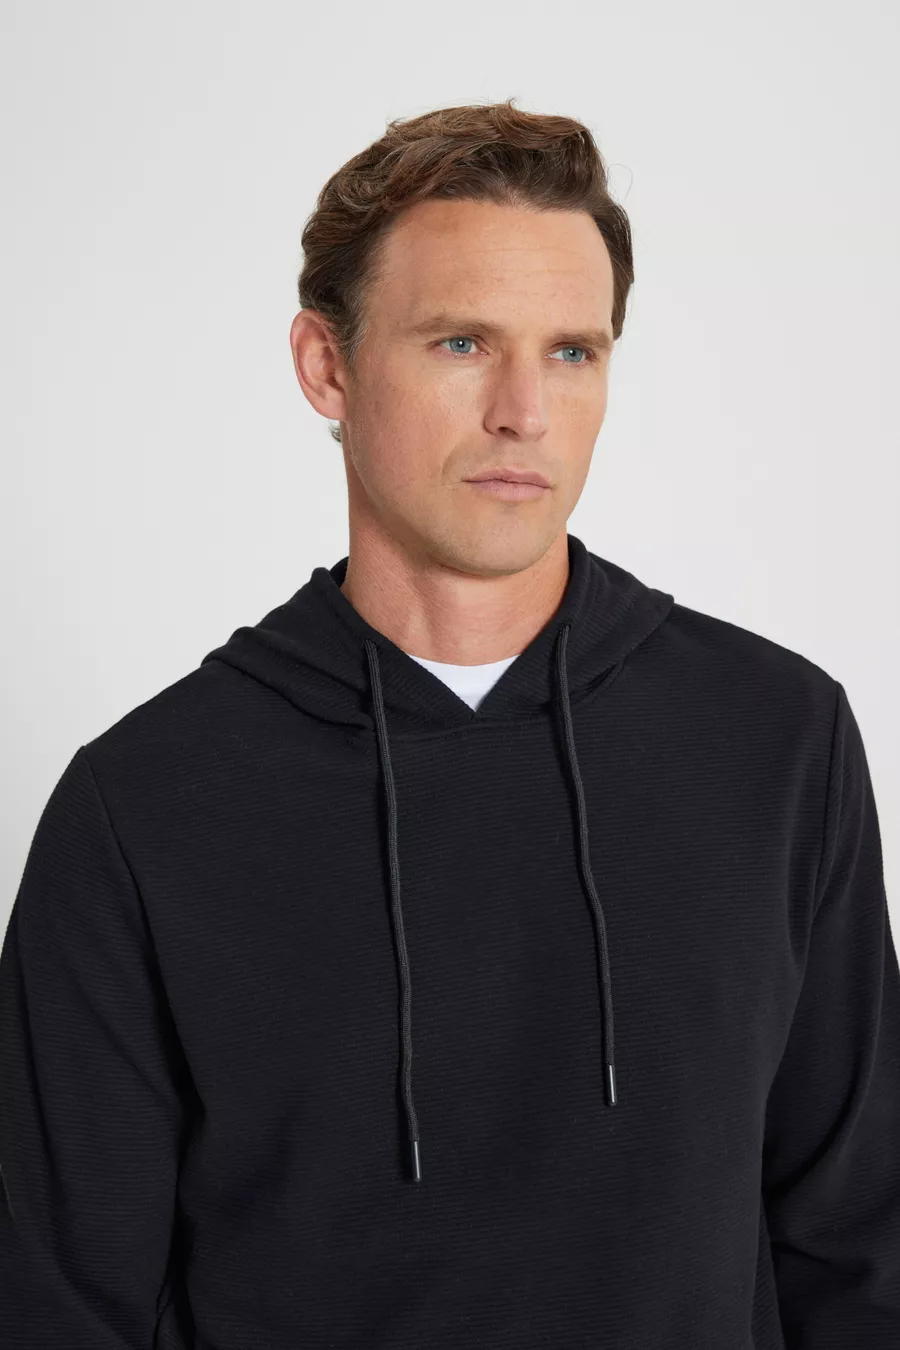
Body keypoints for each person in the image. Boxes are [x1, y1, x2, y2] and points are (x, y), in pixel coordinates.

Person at [1, 98, 898, 1350]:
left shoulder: (777, 744)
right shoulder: (146, 807)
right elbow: (58, 1307)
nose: (524, 411)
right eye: (463, 342)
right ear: (327, 366)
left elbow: (859, 1249)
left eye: (572, 351)